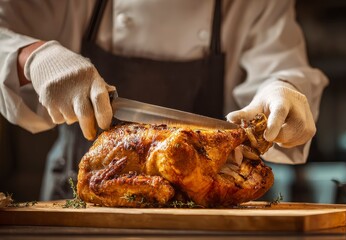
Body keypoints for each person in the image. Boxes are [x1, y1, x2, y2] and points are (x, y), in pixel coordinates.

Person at [0, 0, 328, 200]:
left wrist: (281, 88)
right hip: (79, 199)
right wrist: (32, 58)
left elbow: (280, 61)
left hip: (204, 215)